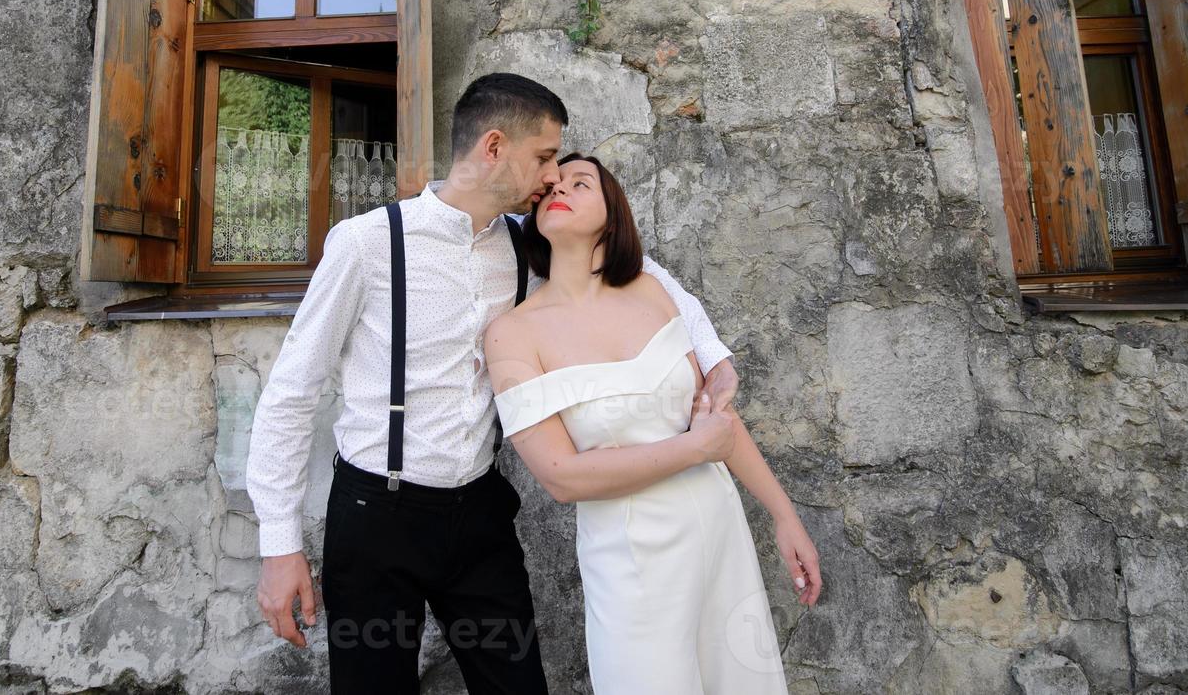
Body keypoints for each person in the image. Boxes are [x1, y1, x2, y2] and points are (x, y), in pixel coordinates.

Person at [246, 73, 744, 694]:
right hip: (376, 517)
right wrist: (280, 545)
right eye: (542, 157)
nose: (551, 177)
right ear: (493, 146)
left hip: (479, 516)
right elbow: (292, 393)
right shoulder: (366, 244)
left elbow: (635, 272)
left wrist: (710, 348)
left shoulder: (523, 245)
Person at [485, 152, 823, 695]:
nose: (559, 189)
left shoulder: (651, 290)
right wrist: (693, 449)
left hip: (718, 529)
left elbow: (717, 421)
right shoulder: (513, 334)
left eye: (580, 182)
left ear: (612, 214)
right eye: (551, 186)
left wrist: (784, 515)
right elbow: (561, 477)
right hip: (631, 557)